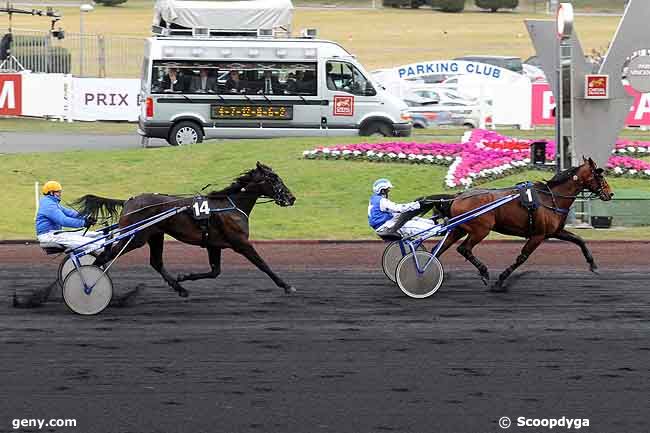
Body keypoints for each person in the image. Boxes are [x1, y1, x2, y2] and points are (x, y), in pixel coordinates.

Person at [35, 181, 101, 250]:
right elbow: (63, 220)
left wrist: (86, 217)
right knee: (91, 243)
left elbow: (70, 213)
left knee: (95, 235)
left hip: (55, 233)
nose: (60, 194)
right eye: (58, 192)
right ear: (51, 193)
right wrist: (83, 223)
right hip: (48, 236)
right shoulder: (48, 205)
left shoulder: (52, 202)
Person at [367, 178, 437, 239]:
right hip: (386, 227)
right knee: (411, 225)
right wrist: (417, 204)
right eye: (387, 190)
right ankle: (437, 229)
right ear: (382, 190)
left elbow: (396, 213)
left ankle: (431, 222)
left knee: (408, 217)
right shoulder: (382, 201)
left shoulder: (374, 199)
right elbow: (398, 208)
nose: (389, 191)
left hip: (384, 224)